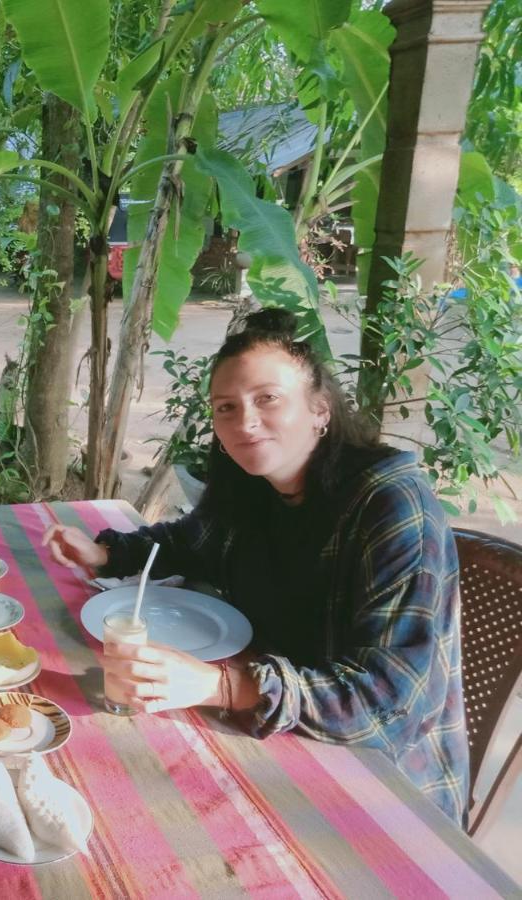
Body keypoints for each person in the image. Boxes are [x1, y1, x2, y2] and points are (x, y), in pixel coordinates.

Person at [43, 309, 468, 824]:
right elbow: (190, 541)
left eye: (268, 398)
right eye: (226, 407)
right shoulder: (253, 486)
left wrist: (220, 686)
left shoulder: (390, 504)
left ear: (319, 408)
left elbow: (389, 706)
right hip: (269, 733)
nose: (244, 422)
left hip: (383, 787)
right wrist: (109, 554)